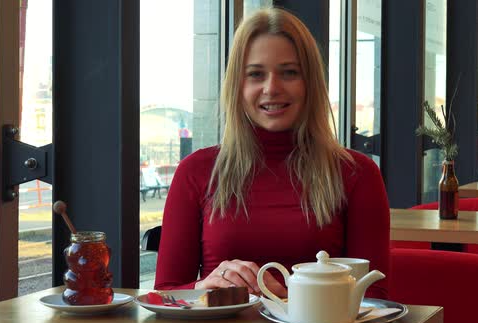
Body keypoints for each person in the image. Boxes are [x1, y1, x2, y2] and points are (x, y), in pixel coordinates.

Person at [154, 7, 390, 299]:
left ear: (311, 84)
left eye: (289, 73)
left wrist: (291, 300)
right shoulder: (195, 171)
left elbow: (374, 297)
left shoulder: (358, 173)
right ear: (237, 87)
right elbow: (165, 294)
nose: (271, 87)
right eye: (255, 74)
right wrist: (204, 287)